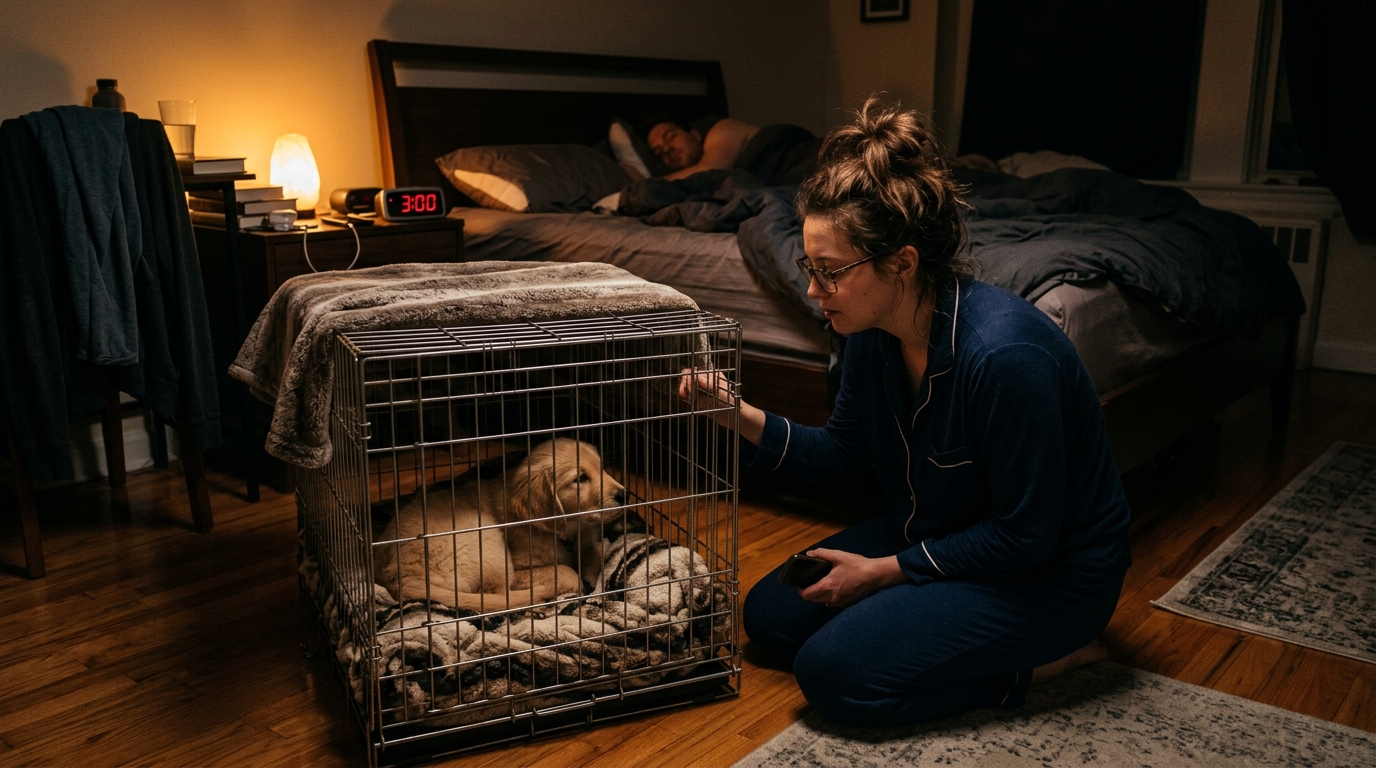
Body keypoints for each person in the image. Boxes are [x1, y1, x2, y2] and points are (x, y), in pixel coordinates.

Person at [678, 98, 1131, 726]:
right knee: (771, 618)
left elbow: (1025, 536)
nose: (813, 290)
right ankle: (921, 627)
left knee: (832, 677)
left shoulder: (1004, 356)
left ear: (903, 263)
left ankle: (1045, 661)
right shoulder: (869, 332)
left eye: (830, 272)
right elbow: (843, 454)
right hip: (942, 529)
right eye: (810, 267)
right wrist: (737, 415)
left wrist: (886, 574)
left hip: (1047, 575)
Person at [644, 115, 821, 186]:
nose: (667, 149)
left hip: (806, 156)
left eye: (671, 136)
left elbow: (708, 171)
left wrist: (648, 183)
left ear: (695, 135)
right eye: (659, 153)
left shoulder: (722, 129)